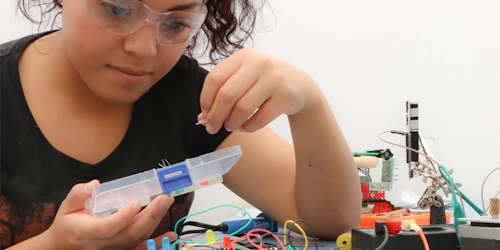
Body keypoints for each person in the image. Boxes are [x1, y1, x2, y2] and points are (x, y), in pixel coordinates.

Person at [0, 0, 361, 248]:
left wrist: (309, 103)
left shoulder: (185, 96)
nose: (144, 49)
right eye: (118, 9)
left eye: (175, 23)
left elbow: (330, 222)